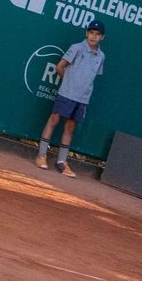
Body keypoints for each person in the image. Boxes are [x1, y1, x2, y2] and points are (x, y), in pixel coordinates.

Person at [36, 23, 106, 179]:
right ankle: (41, 155)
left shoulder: (101, 56)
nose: (94, 36)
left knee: (70, 127)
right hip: (66, 93)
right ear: (86, 33)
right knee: (54, 120)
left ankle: (61, 162)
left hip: (83, 99)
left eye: (97, 34)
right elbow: (60, 67)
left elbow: (91, 77)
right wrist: (67, 83)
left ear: (102, 37)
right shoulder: (76, 48)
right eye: (91, 32)